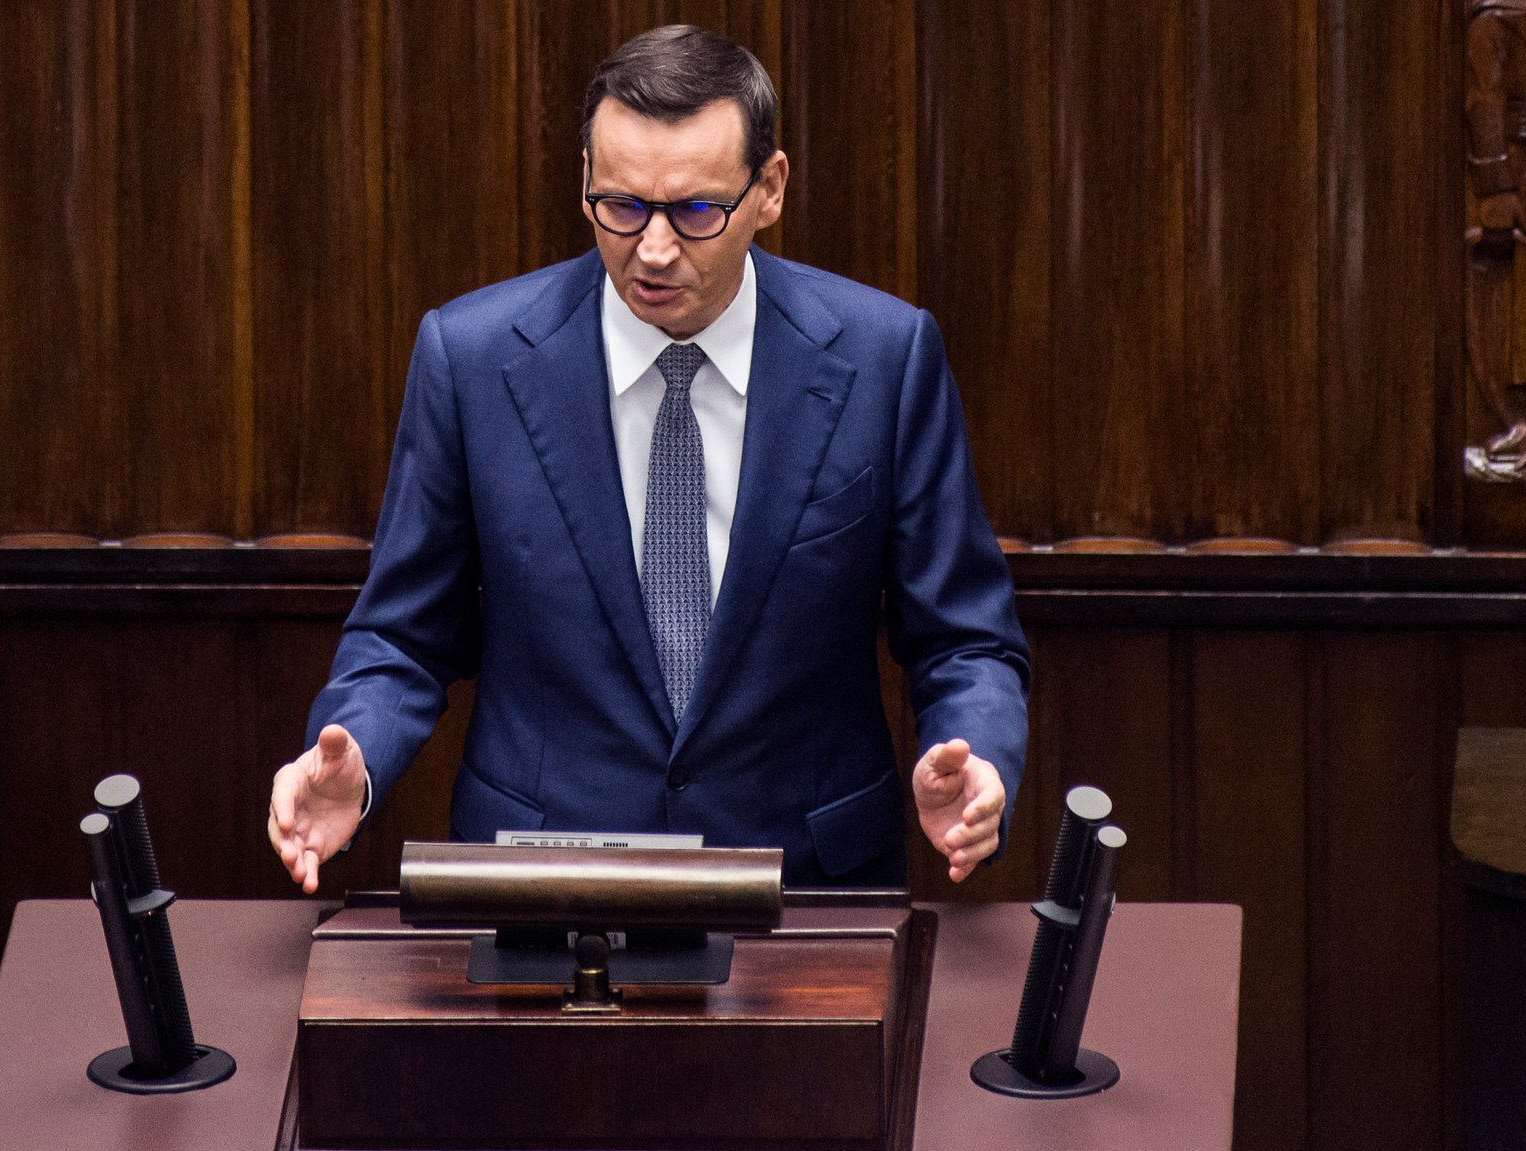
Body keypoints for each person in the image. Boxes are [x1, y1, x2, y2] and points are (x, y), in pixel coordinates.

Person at [268, 25, 1028, 891]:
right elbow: (403, 634)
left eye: (697, 211)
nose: (654, 249)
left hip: (810, 888)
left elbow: (966, 638)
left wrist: (979, 758)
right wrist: (353, 759)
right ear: (585, 180)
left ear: (770, 189)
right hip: (543, 885)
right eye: (622, 207)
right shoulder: (471, 359)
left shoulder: (885, 358)